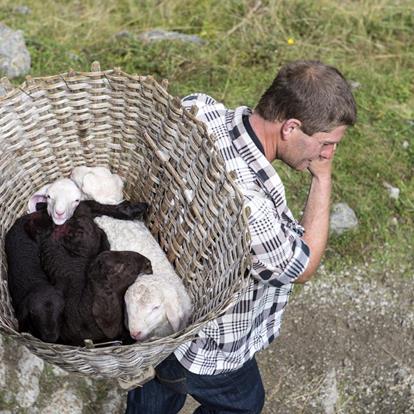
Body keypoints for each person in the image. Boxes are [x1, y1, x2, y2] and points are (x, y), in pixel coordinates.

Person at [125, 60, 357, 414]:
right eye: (326, 143)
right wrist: (322, 179)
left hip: (157, 301)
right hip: (203, 343)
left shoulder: (199, 109)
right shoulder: (251, 208)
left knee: (157, 386)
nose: (327, 154)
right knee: (244, 404)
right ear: (291, 127)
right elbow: (304, 264)